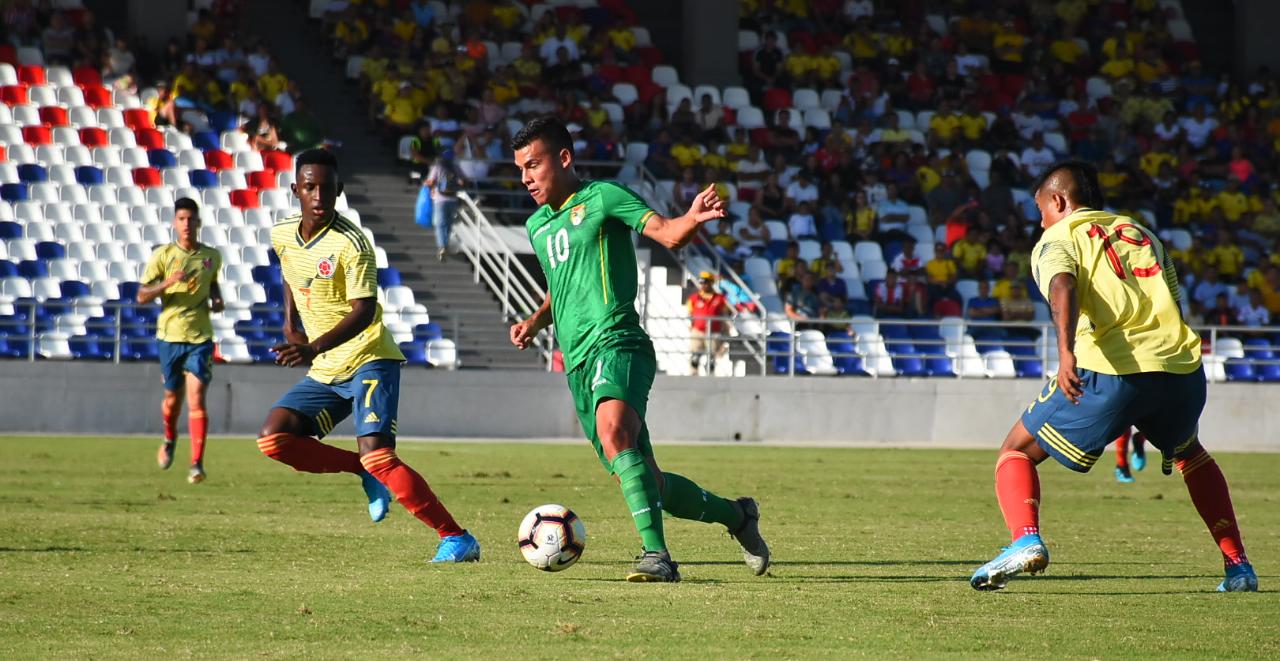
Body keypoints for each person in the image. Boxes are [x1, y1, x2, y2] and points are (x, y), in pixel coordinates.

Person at [970, 161, 1256, 592]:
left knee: (1016, 451)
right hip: (1180, 367)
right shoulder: (1143, 233)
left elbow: (1062, 286)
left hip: (1112, 367)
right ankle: (1238, 567)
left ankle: (1026, 541)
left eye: (1041, 209)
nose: (1040, 220)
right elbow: (1172, 299)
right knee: (1191, 455)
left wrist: (1066, 354)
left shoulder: (1059, 237)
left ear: (1059, 201)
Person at [507, 116, 769, 583]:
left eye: (534, 165)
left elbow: (668, 233)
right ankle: (738, 516)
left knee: (614, 434)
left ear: (563, 158)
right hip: (578, 364)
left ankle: (657, 556)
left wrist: (692, 219)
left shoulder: (603, 198)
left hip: (619, 341)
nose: (526, 177)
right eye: (521, 169)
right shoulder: (537, 227)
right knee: (650, 483)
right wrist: (535, 320)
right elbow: (561, 287)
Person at [259, 149, 479, 563]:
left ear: (340, 190)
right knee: (274, 439)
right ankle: (361, 470)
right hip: (326, 366)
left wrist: (312, 346)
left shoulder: (353, 243)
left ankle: (457, 538)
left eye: (327, 187)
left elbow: (363, 311)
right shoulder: (283, 233)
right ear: (296, 191)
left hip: (369, 358)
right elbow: (289, 272)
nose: (319, 195)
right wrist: (291, 324)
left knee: (379, 454)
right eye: (310, 187)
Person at [136, 198, 223, 484]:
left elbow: (212, 282)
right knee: (173, 399)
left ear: (199, 222)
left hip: (200, 337)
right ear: (175, 223)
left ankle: (196, 463)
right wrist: (167, 283)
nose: (187, 224)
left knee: (197, 399)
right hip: (169, 337)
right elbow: (141, 296)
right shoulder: (162, 255)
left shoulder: (211, 256)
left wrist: (217, 297)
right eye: (181, 219)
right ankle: (170, 438)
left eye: (191, 219)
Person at [425, 150, 468, 260]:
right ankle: (445, 243)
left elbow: (430, 182)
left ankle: (442, 246)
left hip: (440, 199)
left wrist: (428, 186)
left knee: (440, 224)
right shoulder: (455, 167)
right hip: (453, 199)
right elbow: (463, 181)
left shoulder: (438, 167)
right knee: (448, 223)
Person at [686, 272, 732, 375]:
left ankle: (710, 377)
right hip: (698, 330)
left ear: (711, 283)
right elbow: (689, 313)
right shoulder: (694, 298)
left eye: (706, 282)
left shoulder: (720, 299)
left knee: (711, 357)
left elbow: (725, 314)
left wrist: (726, 330)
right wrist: (690, 326)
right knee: (694, 357)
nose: (703, 285)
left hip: (713, 331)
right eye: (701, 282)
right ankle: (692, 376)